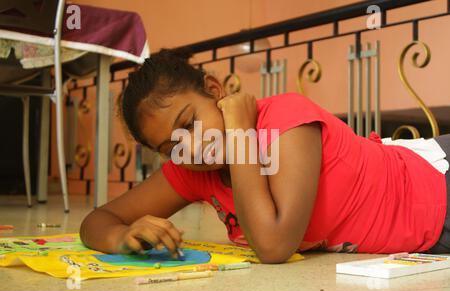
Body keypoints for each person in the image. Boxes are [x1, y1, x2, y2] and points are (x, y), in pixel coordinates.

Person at [79, 48, 450, 263]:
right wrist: (123, 236)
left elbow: (274, 245)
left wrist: (240, 130)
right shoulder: (192, 167)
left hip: (438, 193)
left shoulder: (286, 119)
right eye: (171, 148)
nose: (190, 147)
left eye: (190, 123)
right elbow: (99, 219)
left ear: (214, 90)